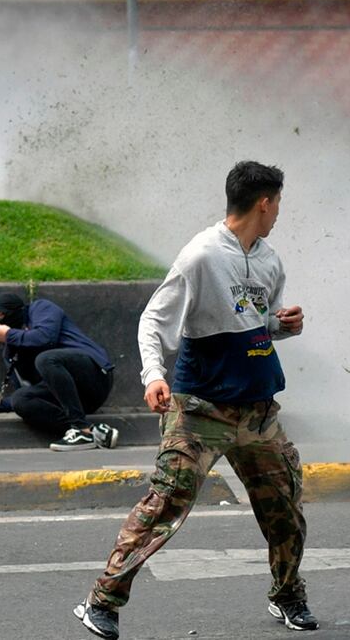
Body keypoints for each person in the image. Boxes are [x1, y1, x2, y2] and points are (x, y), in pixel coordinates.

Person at [74, 161, 315, 638]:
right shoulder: (201, 255)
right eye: (278, 203)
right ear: (264, 202)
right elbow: (153, 320)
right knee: (165, 503)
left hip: (258, 411)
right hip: (201, 409)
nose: (278, 213)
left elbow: (255, 325)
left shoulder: (269, 261)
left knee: (285, 505)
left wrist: (281, 327)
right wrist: (153, 376)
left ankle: (287, 595)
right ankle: (101, 602)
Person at [0, 293, 118, 451]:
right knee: (20, 399)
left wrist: (9, 335)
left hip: (95, 376)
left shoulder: (41, 309)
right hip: (74, 401)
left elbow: (45, 337)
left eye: (0, 314)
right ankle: (88, 432)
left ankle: (79, 426)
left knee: (46, 359)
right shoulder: (12, 350)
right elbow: (30, 390)